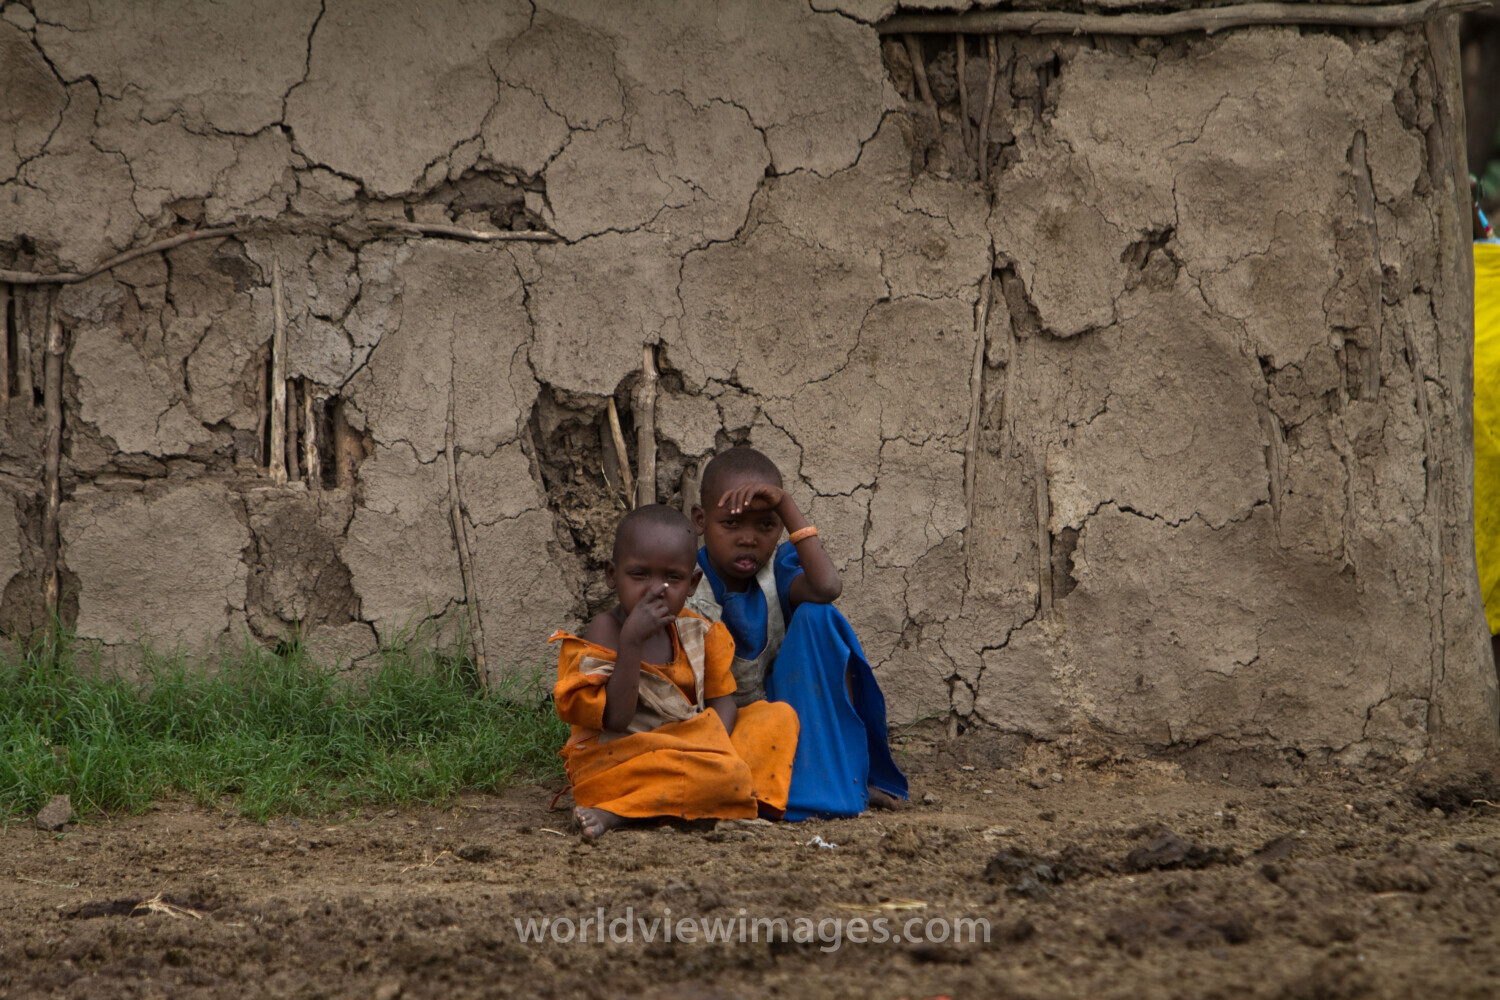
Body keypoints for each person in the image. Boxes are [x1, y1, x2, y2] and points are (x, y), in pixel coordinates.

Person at [550, 504, 799, 840]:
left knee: (777, 718)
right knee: (715, 773)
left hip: (696, 748)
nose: (656, 589)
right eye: (639, 575)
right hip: (627, 758)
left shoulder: (698, 632)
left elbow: (723, 702)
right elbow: (617, 719)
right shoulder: (605, 631)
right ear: (612, 575)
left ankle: (719, 789)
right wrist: (632, 643)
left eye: (673, 577)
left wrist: (711, 746)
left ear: (693, 583)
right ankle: (618, 812)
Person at [687, 446, 908, 820]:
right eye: (731, 524)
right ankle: (790, 789)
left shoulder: (780, 568)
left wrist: (788, 507)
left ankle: (844, 779)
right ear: (700, 520)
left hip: (786, 713)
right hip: (715, 724)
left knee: (818, 617)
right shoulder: (684, 579)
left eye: (766, 525)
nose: (748, 539)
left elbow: (826, 588)